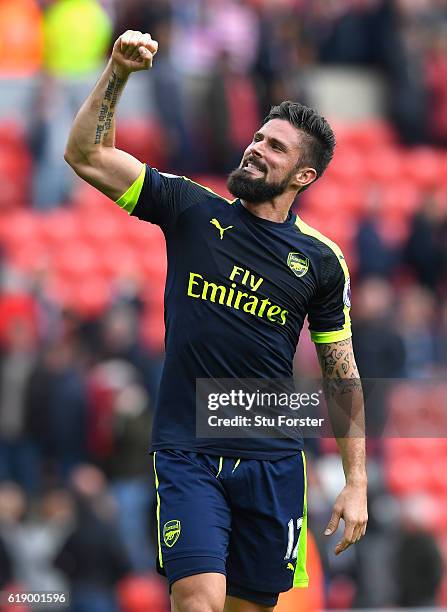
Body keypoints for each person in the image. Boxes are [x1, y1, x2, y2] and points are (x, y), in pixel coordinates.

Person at [64, 30, 368, 612]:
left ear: (303, 177)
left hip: (273, 461)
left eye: (276, 148)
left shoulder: (322, 262)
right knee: (196, 597)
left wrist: (356, 482)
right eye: (258, 137)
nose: (256, 149)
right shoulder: (190, 209)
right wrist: (119, 73)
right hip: (187, 451)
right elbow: (85, 154)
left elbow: (342, 374)